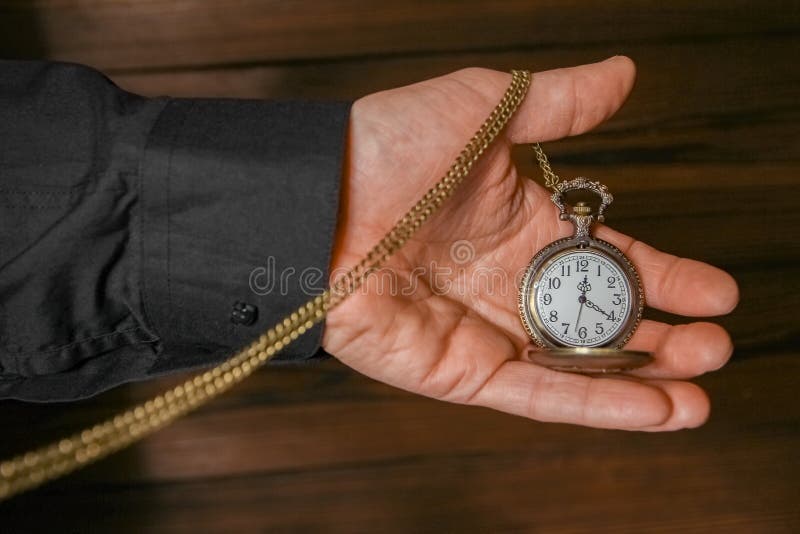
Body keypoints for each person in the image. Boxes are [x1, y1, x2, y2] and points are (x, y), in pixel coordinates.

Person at [0, 56, 738, 431]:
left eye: (588, 293)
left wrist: (324, 208)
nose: (580, 290)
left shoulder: (557, 271)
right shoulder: (564, 274)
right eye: (584, 289)